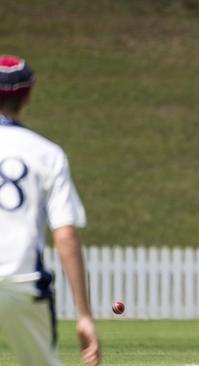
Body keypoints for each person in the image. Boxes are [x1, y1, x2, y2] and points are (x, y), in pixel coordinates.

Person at [0, 55, 101, 365]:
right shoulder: (47, 153)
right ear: (28, 95)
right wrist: (84, 314)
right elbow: (66, 235)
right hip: (23, 284)